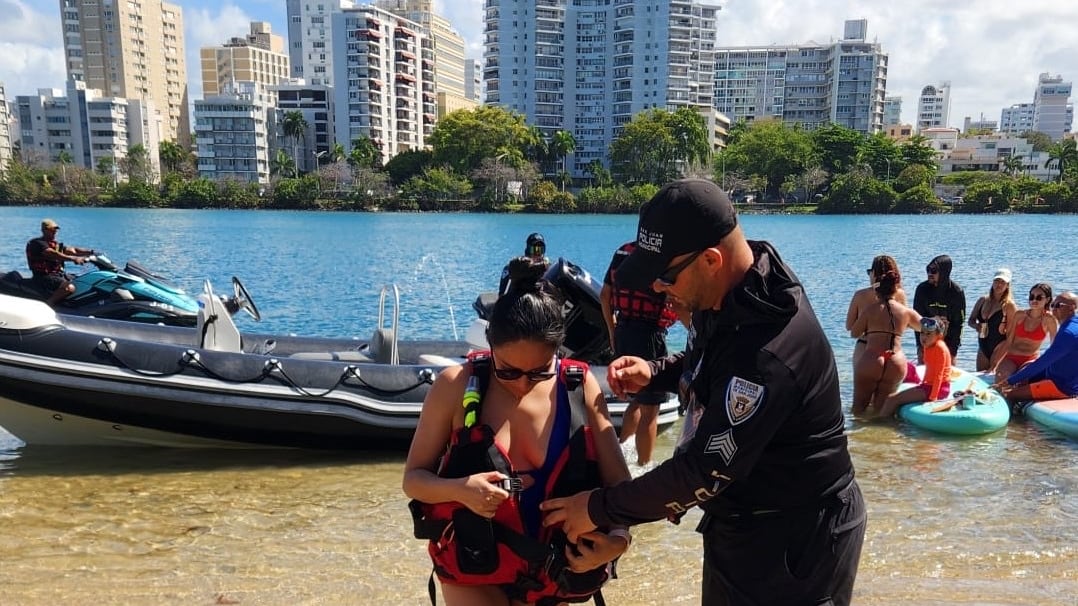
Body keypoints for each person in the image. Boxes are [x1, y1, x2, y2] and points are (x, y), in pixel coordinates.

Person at [540, 179, 866, 606]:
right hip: (740, 522)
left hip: (796, 541)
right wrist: (655, 371)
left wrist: (597, 508)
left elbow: (701, 471)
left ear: (712, 259)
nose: (657, 287)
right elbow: (712, 363)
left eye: (665, 275)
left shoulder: (769, 351)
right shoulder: (736, 290)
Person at [404, 258, 632, 606]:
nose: (523, 384)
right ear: (490, 346)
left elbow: (621, 488)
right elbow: (413, 480)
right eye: (508, 372)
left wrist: (618, 540)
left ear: (558, 351)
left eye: (539, 372)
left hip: (554, 575)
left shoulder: (579, 386)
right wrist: (460, 490)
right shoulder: (455, 386)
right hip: (475, 571)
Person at [600, 240, 677, 466]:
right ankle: (643, 469)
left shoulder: (623, 251)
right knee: (651, 409)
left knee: (635, 402)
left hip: (623, 330)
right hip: (649, 335)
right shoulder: (663, 257)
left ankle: (621, 460)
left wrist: (612, 331)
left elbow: (605, 295)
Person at [848, 259, 921, 415]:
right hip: (896, 360)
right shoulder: (905, 311)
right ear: (895, 288)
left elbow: (853, 332)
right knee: (884, 412)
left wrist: (872, 327)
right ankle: (888, 439)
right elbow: (924, 326)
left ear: (877, 288)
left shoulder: (869, 308)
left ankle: (859, 439)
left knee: (858, 410)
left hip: (871, 355)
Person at [997, 291, 1078, 407]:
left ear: (1072, 308)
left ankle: (1017, 423)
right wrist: (1019, 379)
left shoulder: (1068, 333)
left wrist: (1009, 381)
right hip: (1052, 374)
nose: (1054, 308)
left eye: (1059, 305)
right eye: (1053, 305)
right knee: (1021, 381)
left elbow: (1044, 361)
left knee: (1008, 394)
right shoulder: (1071, 325)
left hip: (1060, 386)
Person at [879, 318, 953, 417]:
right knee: (893, 398)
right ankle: (892, 424)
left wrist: (933, 398)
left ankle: (880, 425)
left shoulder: (940, 348)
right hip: (928, 386)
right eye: (922, 333)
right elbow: (929, 370)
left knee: (892, 399)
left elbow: (939, 374)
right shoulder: (928, 346)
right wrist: (922, 385)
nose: (923, 337)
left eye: (928, 334)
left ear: (939, 336)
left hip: (939, 389)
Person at [846, 254, 909, 369]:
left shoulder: (860, 295)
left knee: (863, 386)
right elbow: (906, 324)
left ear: (874, 274)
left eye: (870, 271)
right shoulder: (900, 295)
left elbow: (849, 326)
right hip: (891, 349)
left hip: (864, 348)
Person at [991, 282, 1060, 384]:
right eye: (1031, 297)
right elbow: (1009, 341)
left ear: (1048, 299)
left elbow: (1054, 346)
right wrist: (994, 364)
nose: (1034, 300)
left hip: (1030, 359)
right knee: (1001, 377)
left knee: (1023, 380)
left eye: (1039, 297)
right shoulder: (1019, 315)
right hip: (1011, 357)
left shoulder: (1049, 320)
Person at [25, 218, 95, 305]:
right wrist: (73, 258)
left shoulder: (55, 244)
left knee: (82, 280)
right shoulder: (37, 243)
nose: (54, 232)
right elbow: (53, 254)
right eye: (51, 230)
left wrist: (92, 252)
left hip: (57, 274)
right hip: (44, 277)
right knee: (69, 288)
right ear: (44, 230)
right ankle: (48, 305)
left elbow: (73, 250)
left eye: (55, 230)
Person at [913, 254, 966, 362]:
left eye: (933, 271)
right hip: (927, 335)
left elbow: (959, 323)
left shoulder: (956, 292)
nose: (929, 274)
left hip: (949, 337)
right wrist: (920, 346)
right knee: (924, 363)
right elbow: (916, 319)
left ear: (944, 272)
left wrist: (953, 351)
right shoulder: (922, 290)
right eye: (928, 270)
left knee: (948, 367)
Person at [968, 268, 1018, 372]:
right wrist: (976, 326)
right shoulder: (983, 300)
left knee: (993, 376)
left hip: (999, 345)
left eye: (1002, 282)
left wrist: (999, 358)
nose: (999, 285)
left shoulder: (1009, 306)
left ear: (1007, 285)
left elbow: (1011, 336)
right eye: (996, 281)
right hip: (983, 344)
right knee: (979, 378)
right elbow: (970, 320)